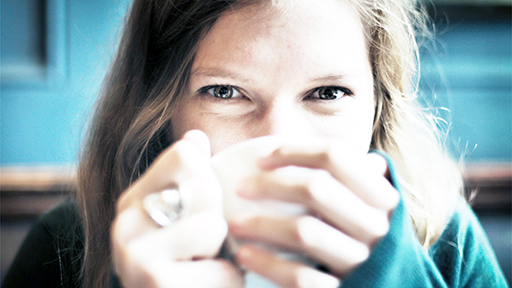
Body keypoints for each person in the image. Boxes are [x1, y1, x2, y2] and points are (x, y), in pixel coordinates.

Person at [3, 0, 508, 287]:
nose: (279, 141)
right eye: (225, 92)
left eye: (328, 92)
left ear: (379, 106)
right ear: (162, 110)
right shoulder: (66, 249)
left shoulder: (444, 242)